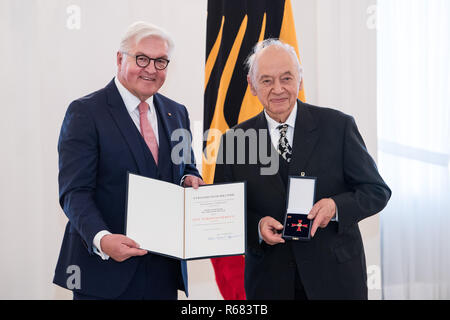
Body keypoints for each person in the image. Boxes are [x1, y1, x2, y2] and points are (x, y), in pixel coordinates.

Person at [214, 39, 391, 300]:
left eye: (286, 78)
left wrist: (335, 207)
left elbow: (376, 191)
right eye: (266, 81)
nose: (278, 89)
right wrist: (257, 226)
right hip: (269, 282)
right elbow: (223, 212)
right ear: (252, 86)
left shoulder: (338, 126)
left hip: (336, 280)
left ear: (300, 79)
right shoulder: (234, 140)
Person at [53, 21, 204, 300]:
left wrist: (189, 178)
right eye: (142, 58)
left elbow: (187, 166)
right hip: (104, 273)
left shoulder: (177, 113)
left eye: (161, 62)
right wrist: (102, 239)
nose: (151, 69)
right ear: (120, 58)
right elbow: (75, 192)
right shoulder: (85, 113)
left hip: (163, 272)